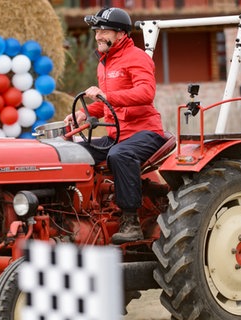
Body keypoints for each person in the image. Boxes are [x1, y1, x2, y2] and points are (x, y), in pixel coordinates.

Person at [64, 7, 166, 244]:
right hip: (117, 134)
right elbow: (106, 105)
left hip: (145, 132)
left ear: (120, 34)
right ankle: (79, 210)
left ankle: (131, 222)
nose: (98, 35)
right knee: (75, 151)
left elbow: (146, 92)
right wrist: (82, 113)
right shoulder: (104, 63)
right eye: (96, 31)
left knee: (120, 155)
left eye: (103, 31)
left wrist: (107, 97)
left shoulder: (137, 57)